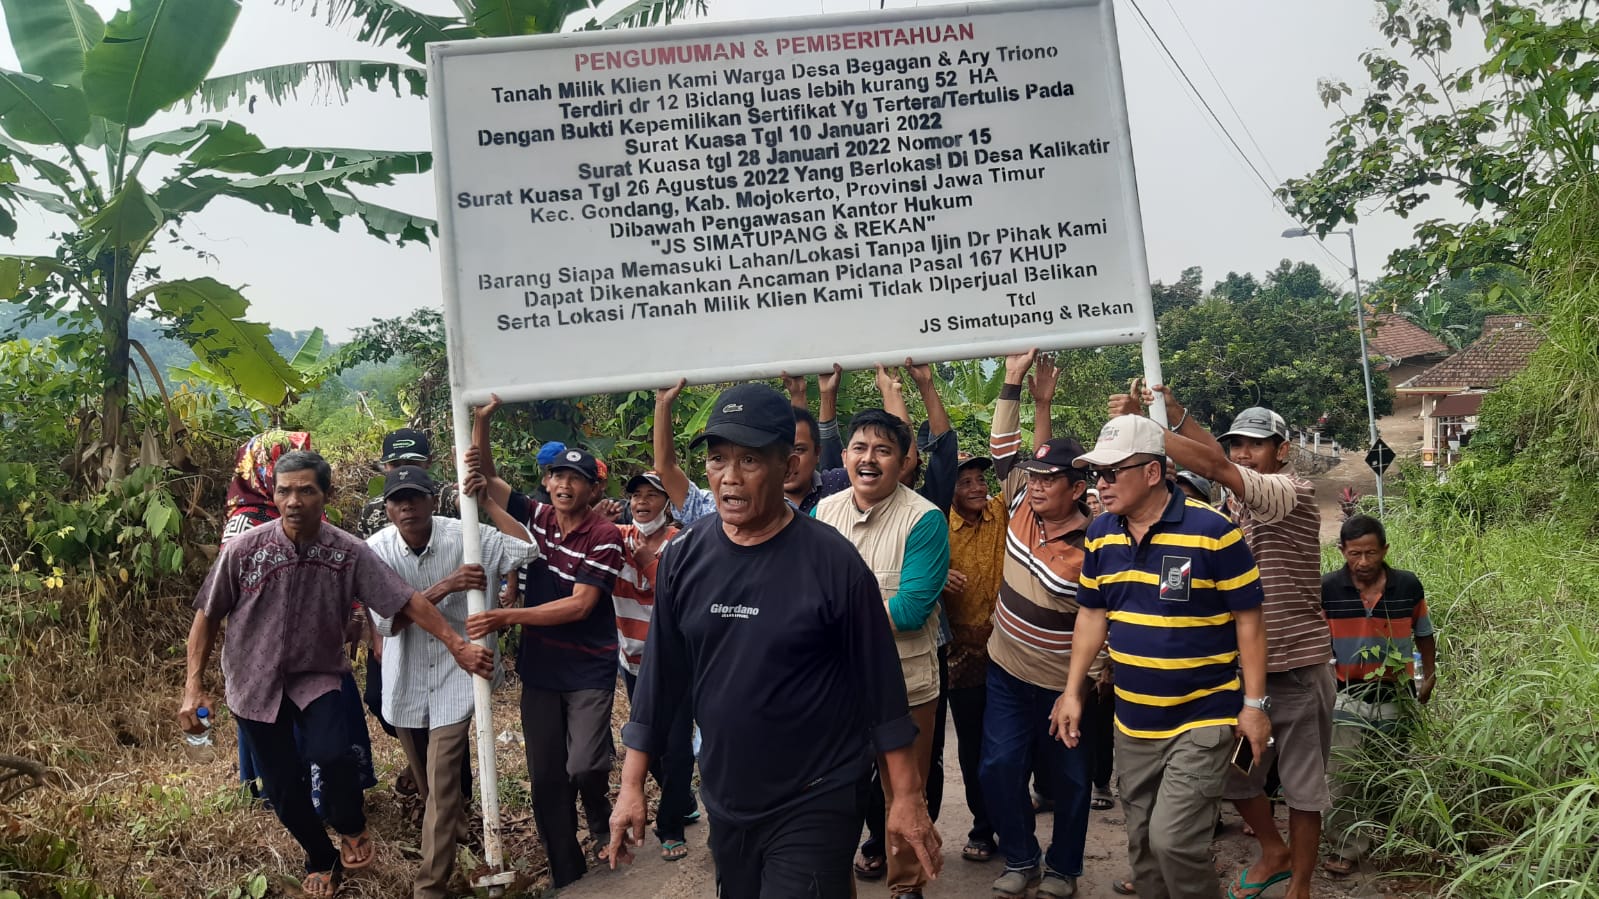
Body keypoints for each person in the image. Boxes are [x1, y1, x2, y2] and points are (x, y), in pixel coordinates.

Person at [607, 383, 942, 897]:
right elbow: (660, 680)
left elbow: (881, 689)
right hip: (727, 793)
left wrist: (906, 797)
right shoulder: (683, 559)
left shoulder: (833, 563)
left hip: (817, 793)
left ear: (787, 468)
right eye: (718, 460)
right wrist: (632, 785)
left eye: (749, 461)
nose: (729, 478)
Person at [180, 451, 494, 899]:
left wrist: (456, 643)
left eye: (306, 490)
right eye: (284, 491)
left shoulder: (347, 551)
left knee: (332, 755)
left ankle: (350, 824)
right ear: (274, 495)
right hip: (253, 681)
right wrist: (193, 687)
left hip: (317, 675)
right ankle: (320, 854)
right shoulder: (244, 550)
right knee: (284, 790)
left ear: (325, 495)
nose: (294, 501)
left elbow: (405, 601)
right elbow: (208, 616)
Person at [1113, 388, 1335, 899]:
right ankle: (1273, 850)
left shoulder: (1291, 491)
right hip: (1243, 671)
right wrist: (1173, 413)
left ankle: (1300, 885)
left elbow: (1216, 467)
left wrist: (1144, 430)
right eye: (1237, 443)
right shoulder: (1236, 500)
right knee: (1234, 776)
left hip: (1297, 666)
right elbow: (1220, 461)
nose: (1242, 453)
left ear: (1283, 449)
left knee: (1303, 788)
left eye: (1256, 445)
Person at [1051, 415, 1271, 899]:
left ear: (1153, 472)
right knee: (1143, 851)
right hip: (1133, 723)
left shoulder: (1214, 532)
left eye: (1113, 473)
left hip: (1203, 716)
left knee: (1173, 842)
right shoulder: (1103, 534)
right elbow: (1092, 615)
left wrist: (1254, 707)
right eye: (1097, 475)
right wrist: (1072, 691)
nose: (1101, 486)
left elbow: (1249, 621)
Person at [365, 463, 538, 899]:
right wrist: (448, 585)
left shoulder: (463, 535)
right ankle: (459, 837)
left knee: (441, 784)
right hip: (405, 678)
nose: (407, 506)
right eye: (397, 500)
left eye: (415, 497)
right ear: (387, 509)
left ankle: (430, 886)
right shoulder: (377, 551)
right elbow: (388, 623)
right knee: (431, 787)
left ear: (432, 501)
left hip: (459, 672)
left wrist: (486, 503)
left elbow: (526, 549)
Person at [468, 442, 624, 889]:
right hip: (541, 670)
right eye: (557, 476)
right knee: (546, 778)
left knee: (584, 765)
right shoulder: (536, 519)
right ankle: (567, 871)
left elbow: (580, 606)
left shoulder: (604, 536)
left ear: (593, 489)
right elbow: (492, 483)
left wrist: (508, 616)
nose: (564, 484)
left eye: (575, 478)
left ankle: (597, 806)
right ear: (546, 480)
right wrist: (480, 419)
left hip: (588, 668)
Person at [975, 348, 1099, 899]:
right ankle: (1021, 857)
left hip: (1061, 685)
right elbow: (1004, 448)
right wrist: (1014, 383)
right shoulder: (1021, 503)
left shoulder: (1098, 545)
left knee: (1069, 782)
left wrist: (1083, 683)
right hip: (1005, 669)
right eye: (1037, 475)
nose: (1039, 483)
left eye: (1052, 479)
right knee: (998, 768)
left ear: (1077, 488)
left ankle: (1064, 868)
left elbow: (1107, 623)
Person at [815, 408, 951, 898]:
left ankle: (906, 887)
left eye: (883, 449)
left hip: (906, 684)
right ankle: (832, 884)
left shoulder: (925, 519)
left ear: (903, 460)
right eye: (859, 448)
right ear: (846, 456)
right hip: (835, 687)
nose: (868, 459)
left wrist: (830, 620)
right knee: (832, 794)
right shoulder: (821, 513)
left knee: (904, 793)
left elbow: (913, 608)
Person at [220, 431, 377, 810]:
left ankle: (334, 798)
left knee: (329, 731)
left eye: (305, 487)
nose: (295, 497)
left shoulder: (313, 521)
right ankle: (293, 798)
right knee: (279, 738)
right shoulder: (245, 528)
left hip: (317, 653)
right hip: (266, 658)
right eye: (282, 479)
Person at [1321, 515, 1436, 876]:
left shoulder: (1408, 586)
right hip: (1346, 695)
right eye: (1355, 553)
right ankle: (1346, 847)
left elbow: (1424, 633)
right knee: (1343, 777)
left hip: (1396, 696)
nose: (1364, 562)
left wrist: (1428, 675)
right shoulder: (1327, 589)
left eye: (1371, 553)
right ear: (1342, 551)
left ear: (1385, 549)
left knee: (1391, 776)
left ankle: (1390, 842)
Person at [613, 470, 699, 861]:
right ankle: (681, 798)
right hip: (632, 662)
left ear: (669, 502)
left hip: (676, 662)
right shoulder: (617, 539)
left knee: (677, 747)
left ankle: (670, 826)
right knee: (647, 746)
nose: (642, 502)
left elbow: (682, 598)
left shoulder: (683, 542)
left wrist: (649, 561)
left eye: (652, 495)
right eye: (636, 496)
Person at [943, 451, 1007, 863]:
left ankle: (1014, 822)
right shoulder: (936, 527)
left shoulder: (999, 513)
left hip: (1006, 648)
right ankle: (983, 826)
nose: (977, 487)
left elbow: (1016, 469)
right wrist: (936, 573)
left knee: (1007, 742)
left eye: (979, 479)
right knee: (972, 745)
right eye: (965, 481)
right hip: (961, 656)